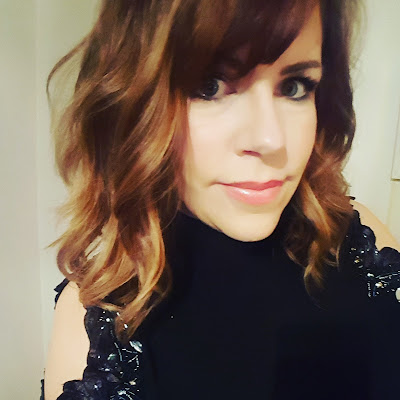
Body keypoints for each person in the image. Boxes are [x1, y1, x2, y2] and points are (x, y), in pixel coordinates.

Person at [43, 0, 400, 399]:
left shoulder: (359, 241)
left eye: (294, 87)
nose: (270, 139)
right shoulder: (98, 320)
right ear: (135, 105)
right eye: (209, 86)